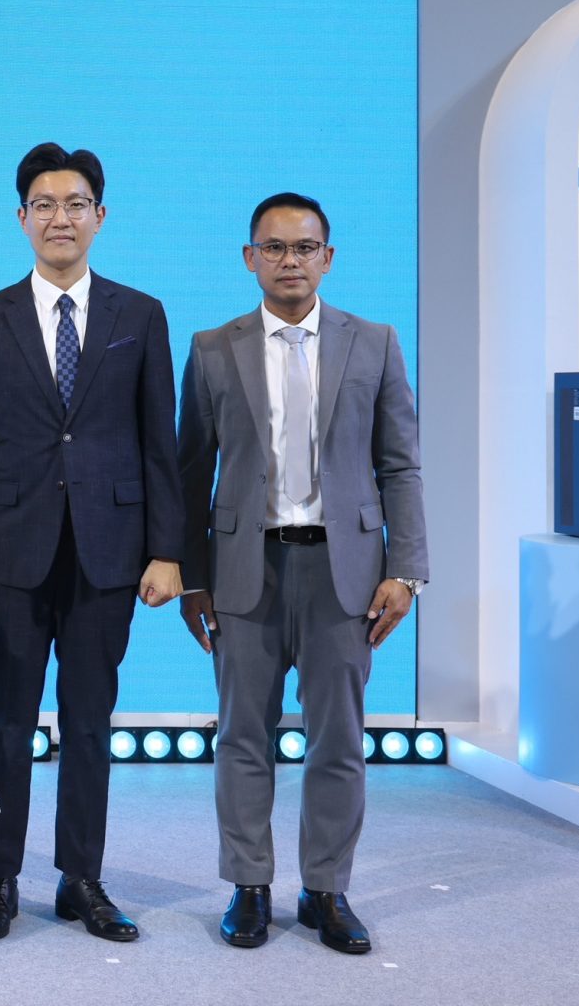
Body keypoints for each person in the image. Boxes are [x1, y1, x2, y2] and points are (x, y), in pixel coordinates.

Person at [177, 192, 427, 955]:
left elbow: (400, 464)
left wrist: (407, 569)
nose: (291, 260)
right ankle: (249, 887)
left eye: (305, 247)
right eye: (275, 247)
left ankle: (326, 890)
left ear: (328, 257)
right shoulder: (212, 348)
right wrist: (191, 577)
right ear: (250, 258)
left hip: (344, 573)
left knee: (338, 740)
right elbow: (190, 472)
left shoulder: (375, 343)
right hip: (243, 570)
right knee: (241, 737)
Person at [0, 142, 184, 944]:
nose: (61, 218)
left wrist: (166, 551)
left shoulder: (139, 314)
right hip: (11, 555)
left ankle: (82, 879)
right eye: (45, 205)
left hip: (109, 553)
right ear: (22, 218)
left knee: (90, 724)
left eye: (75, 204)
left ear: (100, 216)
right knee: (7, 725)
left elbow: (160, 442)